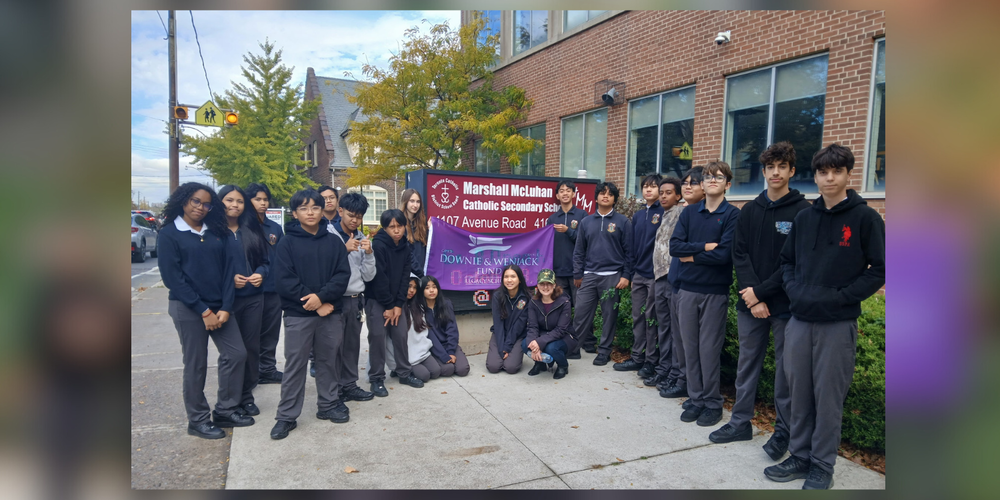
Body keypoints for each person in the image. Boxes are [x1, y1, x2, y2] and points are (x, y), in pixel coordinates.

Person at [764, 144, 884, 489]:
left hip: (837, 323)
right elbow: (786, 262)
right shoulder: (805, 217)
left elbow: (879, 270)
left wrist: (841, 298)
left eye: (836, 171)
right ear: (815, 176)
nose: (829, 178)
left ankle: (822, 465)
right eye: (822, 172)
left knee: (828, 397)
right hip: (800, 320)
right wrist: (795, 291)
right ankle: (800, 456)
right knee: (799, 393)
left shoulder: (865, 218)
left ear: (848, 174)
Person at [707, 142, 810, 458]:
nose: (775, 172)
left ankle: (784, 433)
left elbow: (794, 261)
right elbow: (740, 253)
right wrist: (753, 296)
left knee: (786, 372)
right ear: (764, 171)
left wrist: (763, 293)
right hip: (750, 303)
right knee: (746, 365)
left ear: (792, 171)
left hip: (785, 305)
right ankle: (740, 423)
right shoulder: (750, 210)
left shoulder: (804, 212)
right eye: (770, 167)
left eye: (782, 166)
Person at [159, 182, 252, 439]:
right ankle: (198, 420)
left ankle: (225, 409)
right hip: (188, 308)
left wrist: (225, 307)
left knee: (236, 354)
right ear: (184, 201)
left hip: (219, 307)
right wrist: (203, 311)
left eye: (207, 203)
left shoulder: (217, 231)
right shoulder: (169, 233)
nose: (201, 207)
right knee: (196, 364)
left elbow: (227, 272)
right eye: (196, 201)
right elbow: (173, 279)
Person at [269, 189, 351, 440]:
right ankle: (286, 416)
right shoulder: (287, 243)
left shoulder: (333, 241)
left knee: (328, 360)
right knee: (295, 364)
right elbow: (284, 280)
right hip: (298, 314)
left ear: (322, 209)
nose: (310, 212)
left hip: (330, 313)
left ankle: (327, 405)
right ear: (294, 213)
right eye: (303, 208)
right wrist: (315, 302)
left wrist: (323, 298)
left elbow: (342, 276)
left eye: (315, 207)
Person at [670, 161, 740, 427]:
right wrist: (704, 247)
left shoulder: (732, 214)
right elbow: (675, 247)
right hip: (687, 290)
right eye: (708, 177)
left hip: (714, 293)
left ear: (727, 184)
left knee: (708, 350)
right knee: (689, 348)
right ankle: (696, 399)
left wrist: (692, 256)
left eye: (718, 177)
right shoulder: (689, 214)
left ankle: (712, 403)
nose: (712, 180)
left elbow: (724, 255)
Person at [219, 185, 269, 417]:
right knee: (232, 353)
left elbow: (265, 261)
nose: (235, 205)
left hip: (253, 299)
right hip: (226, 302)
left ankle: (246, 396)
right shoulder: (212, 232)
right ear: (220, 202)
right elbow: (208, 268)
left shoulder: (252, 229)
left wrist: (261, 273)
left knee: (251, 349)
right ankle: (230, 400)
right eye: (229, 200)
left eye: (239, 201)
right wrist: (229, 280)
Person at [571, 182, 632, 366]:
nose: (605, 196)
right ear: (596, 197)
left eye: (610, 194)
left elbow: (630, 252)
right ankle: (573, 347)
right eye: (602, 193)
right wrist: (578, 273)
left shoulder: (623, 222)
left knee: (609, 316)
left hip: (612, 276)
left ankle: (604, 351)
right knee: (581, 313)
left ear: (614, 198)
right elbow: (579, 250)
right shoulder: (586, 222)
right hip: (589, 275)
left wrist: (626, 275)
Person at [659, 167, 706, 403]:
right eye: (685, 182)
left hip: (696, 287)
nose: (688, 186)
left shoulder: (702, 215)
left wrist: (695, 251)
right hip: (676, 282)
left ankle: (688, 383)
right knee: (678, 338)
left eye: (693, 183)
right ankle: (679, 378)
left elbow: (711, 249)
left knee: (691, 342)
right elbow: (676, 248)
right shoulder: (685, 213)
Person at [365, 209, 424, 394]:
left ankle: (404, 373)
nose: (397, 230)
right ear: (385, 228)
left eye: (400, 226)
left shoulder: (405, 246)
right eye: (392, 227)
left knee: (400, 334)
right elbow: (379, 278)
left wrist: (398, 305)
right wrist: (389, 306)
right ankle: (376, 378)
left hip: (396, 302)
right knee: (377, 337)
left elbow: (405, 276)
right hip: (377, 299)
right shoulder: (379, 245)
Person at [330, 192, 377, 403]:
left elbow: (368, 276)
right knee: (333, 347)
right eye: (350, 214)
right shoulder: (329, 234)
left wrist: (369, 254)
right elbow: (323, 269)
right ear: (340, 211)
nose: (354, 220)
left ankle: (349, 385)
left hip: (356, 299)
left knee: (351, 346)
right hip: (334, 300)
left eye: (359, 216)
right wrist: (342, 250)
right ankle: (333, 392)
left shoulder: (361, 238)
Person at [615, 174, 663, 377]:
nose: (648, 190)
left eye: (653, 186)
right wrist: (631, 273)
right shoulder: (638, 215)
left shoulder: (664, 213)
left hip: (656, 275)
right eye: (645, 187)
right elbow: (632, 248)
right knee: (638, 317)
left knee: (652, 319)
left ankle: (651, 361)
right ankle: (637, 357)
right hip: (639, 275)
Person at [646, 176, 684, 389]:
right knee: (663, 328)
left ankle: (675, 372)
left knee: (673, 330)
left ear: (678, 195)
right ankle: (664, 369)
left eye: (669, 192)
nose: (663, 196)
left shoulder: (681, 212)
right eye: (662, 193)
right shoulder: (664, 215)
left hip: (673, 278)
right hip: (658, 278)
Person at [246, 183, 284, 384]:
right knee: (251, 335)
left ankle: (267, 369)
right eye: (257, 199)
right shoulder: (242, 227)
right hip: (250, 291)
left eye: (265, 199)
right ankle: (251, 374)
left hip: (273, 289)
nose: (262, 203)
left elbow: (283, 258)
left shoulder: (274, 228)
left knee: (271, 332)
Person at [523, 269, 574, 379]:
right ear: (538, 285)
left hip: (564, 336)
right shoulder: (533, 302)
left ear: (554, 285)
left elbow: (561, 329)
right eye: (542, 284)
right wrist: (534, 344)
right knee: (524, 344)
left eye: (549, 284)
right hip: (542, 333)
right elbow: (532, 326)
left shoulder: (564, 302)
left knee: (551, 348)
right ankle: (540, 364)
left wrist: (539, 342)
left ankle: (563, 366)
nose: (545, 287)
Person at [416, 275, 471, 377]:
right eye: (427, 288)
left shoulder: (446, 303)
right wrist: (443, 356)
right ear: (421, 290)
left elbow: (452, 329)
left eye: (434, 287)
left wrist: (451, 352)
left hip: (449, 345)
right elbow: (429, 335)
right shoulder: (419, 309)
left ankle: (456, 354)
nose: (431, 290)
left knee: (463, 370)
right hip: (432, 347)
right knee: (447, 370)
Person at [547, 180, 586, 315]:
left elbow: (584, 241)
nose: (565, 193)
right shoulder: (552, 219)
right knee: (562, 309)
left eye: (568, 190)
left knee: (581, 309)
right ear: (557, 196)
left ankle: (582, 336)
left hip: (577, 272)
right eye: (561, 191)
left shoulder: (582, 215)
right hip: (558, 273)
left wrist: (568, 231)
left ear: (573, 194)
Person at [486, 264, 530, 374]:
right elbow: (498, 324)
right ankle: (500, 353)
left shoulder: (526, 298)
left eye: (513, 276)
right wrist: (502, 349)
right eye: (506, 277)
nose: (509, 280)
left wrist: (507, 347)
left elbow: (519, 325)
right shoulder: (497, 296)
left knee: (511, 368)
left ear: (519, 279)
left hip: (517, 335)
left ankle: (510, 354)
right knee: (493, 367)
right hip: (499, 334)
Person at [402, 277, 441, 382]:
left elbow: (423, 332)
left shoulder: (418, 307)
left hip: (422, 352)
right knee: (424, 376)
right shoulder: (397, 309)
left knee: (436, 372)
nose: (411, 290)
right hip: (407, 356)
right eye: (409, 286)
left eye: (414, 287)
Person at [400, 188, 429, 278]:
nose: (415, 205)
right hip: (407, 275)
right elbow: (407, 253)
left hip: (422, 274)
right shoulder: (400, 224)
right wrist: (420, 273)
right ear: (405, 202)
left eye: (418, 202)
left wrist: (430, 230)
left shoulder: (422, 225)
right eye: (412, 201)